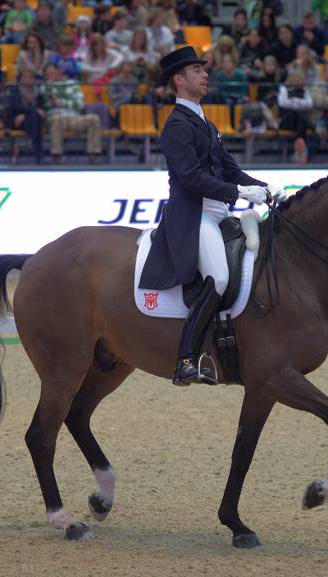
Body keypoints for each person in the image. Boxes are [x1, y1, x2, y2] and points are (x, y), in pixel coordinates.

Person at [137, 45, 276, 386]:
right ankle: (186, 359)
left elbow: (229, 169)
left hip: (217, 214)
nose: (205, 75)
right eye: (197, 71)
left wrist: (266, 188)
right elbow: (190, 177)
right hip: (193, 216)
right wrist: (239, 193)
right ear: (179, 80)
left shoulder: (206, 122)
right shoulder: (176, 125)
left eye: (204, 70)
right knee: (220, 277)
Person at [40, 61, 101, 163]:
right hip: (57, 117)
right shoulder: (45, 87)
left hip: (74, 117)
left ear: (59, 71)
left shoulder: (73, 84)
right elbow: (48, 102)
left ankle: (93, 153)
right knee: (56, 120)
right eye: (47, 74)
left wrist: (62, 102)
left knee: (94, 119)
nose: (50, 75)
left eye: (52, 72)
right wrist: (67, 101)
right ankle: (57, 155)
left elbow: (80, 104)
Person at [5, 67, 46, 163]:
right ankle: (37, 153)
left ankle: (33, 149)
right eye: (25, 77)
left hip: (31, 120)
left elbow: (42, 107)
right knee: (35, 115)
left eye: (30, 77)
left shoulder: (38, 91)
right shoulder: (14, 91)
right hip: (17, 120)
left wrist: (27, 115)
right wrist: (32, 111)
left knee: (34, 117)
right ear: (20, 79)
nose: (27, 79)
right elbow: (15, 107)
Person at [277, 69, 315, 163]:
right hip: (286, 120)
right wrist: (300, 103)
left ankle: (298, 147)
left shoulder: (305, 90)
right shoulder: (284, 88)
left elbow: (309, 104)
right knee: (295, 114)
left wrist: (293, 101)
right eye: (300, 79)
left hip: (300, 121)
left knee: (298, 116)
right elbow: (283, 103)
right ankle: (301, 149)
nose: (302, 81)